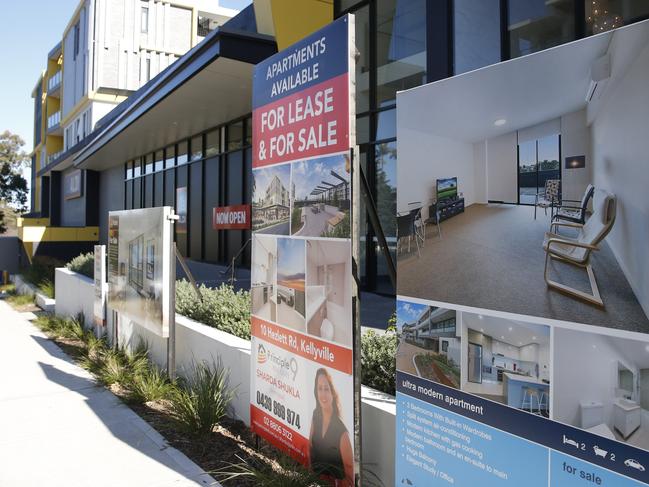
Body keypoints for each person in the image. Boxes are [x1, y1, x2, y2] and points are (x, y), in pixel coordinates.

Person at [309, 368, 354, 486]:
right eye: (319, 388)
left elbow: (349, 477)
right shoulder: (315, 415)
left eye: (326, 389)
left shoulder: (342, 433)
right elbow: (310, 447)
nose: (323, 394)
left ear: (333, 393)